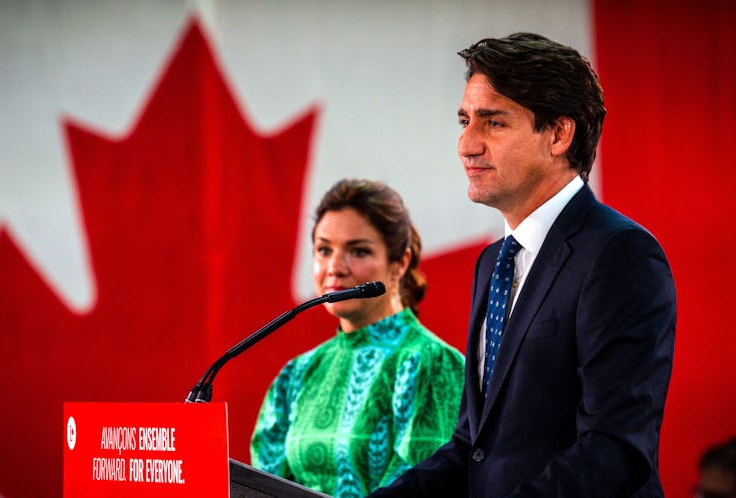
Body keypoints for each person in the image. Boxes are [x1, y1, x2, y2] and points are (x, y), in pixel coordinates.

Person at [369, 32, 676, 497]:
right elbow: (471, 447)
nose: (467, 145)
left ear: (558, 134)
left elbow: (614, 450)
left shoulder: (621, 255)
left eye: (493, 123)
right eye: (464, 120)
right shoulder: (494, 262)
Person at [251, 178, 465, 497]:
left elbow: (422, 485)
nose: (335, 267)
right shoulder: (297, 373)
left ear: (400, 263)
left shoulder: (430, 362)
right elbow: (260, 484)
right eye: (324, 250)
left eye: (358, 251)